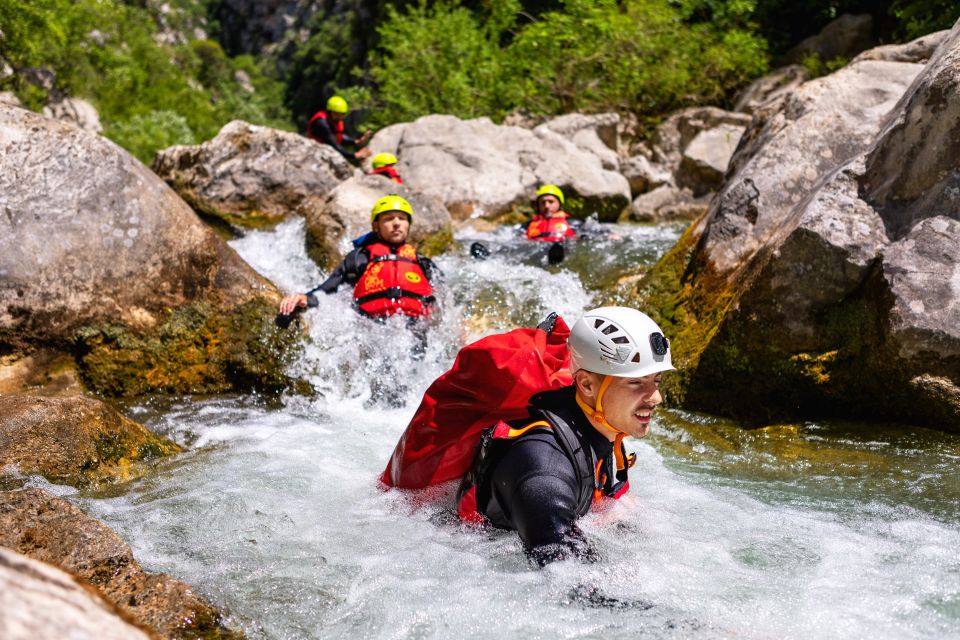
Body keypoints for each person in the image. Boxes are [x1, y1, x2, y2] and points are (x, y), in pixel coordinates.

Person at [457, 306, 673, 565]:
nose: (656, 398)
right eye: (636, 382)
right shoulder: (544, 469)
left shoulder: (597, 426)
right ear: (586, 385)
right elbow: (567, 577)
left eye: (656, 381)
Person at [278, 194, 438, 321]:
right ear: (376, 226)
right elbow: (329, 289)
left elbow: (447, 300)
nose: (396, 224)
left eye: (402, 219)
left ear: (408, 225)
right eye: (388, 218)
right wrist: (305, 298)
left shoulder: (422, 262)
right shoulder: (359, 257)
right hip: (373, 327)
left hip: (417, 329)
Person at [307, 95, 371, 162]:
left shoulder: (334, 120)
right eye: (337, 113)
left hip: (326, 152)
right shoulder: (322, 123)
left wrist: (356, 141)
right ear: (330, 111)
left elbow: (339, 135)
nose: (340, 117)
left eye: (342, 114)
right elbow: (334, 145)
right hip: (315, 153)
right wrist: (355, 155)